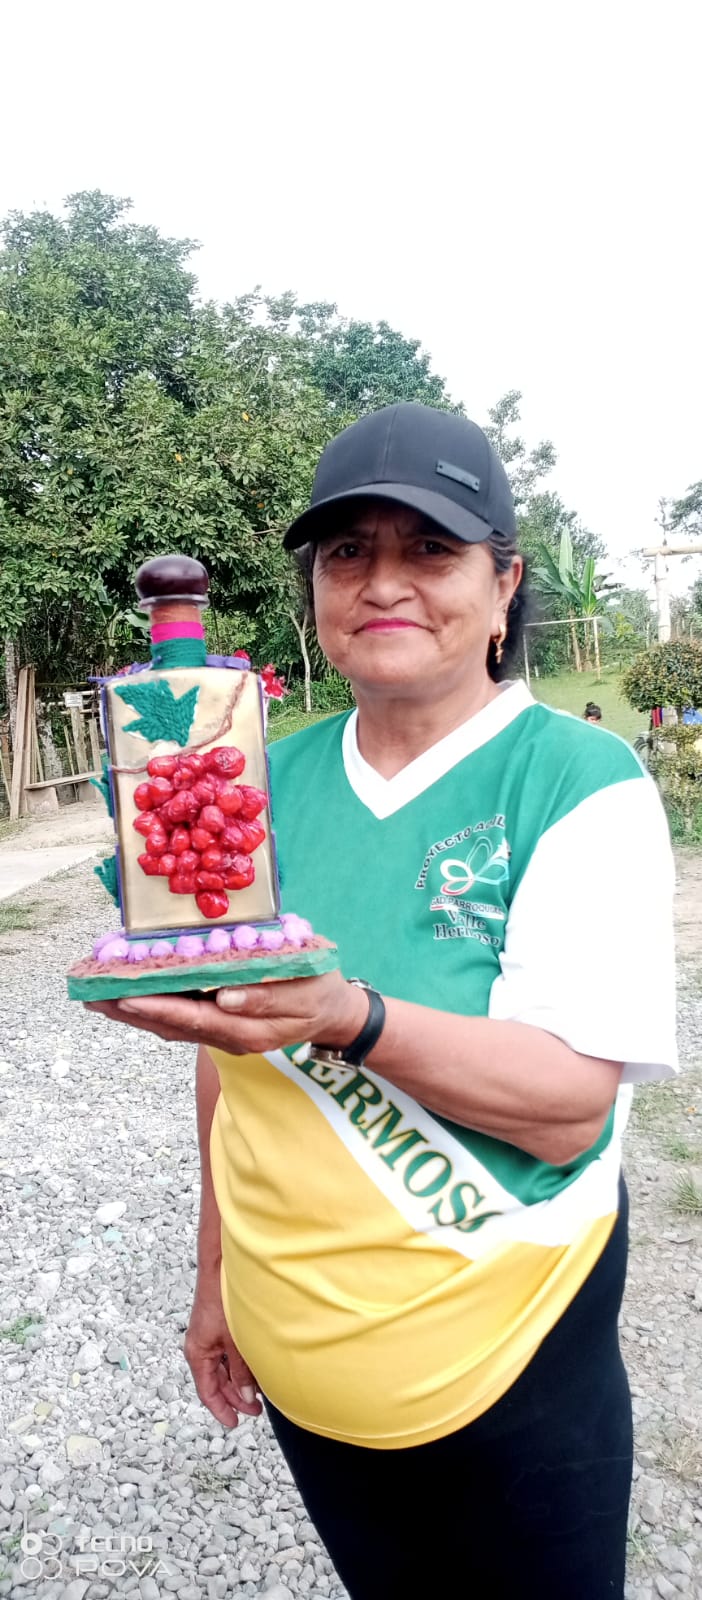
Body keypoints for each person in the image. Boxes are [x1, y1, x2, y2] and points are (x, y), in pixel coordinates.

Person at [87, 403, 677, 1600]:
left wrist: (347, 1014)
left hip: (511, 1370)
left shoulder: (577, 780)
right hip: (302, 1368)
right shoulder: (262, 778)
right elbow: (230, 1054)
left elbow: (568, 1106)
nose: (384, 581)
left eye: (431, 549)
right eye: (348, 551)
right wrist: (214, 1277)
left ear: (504, 586)